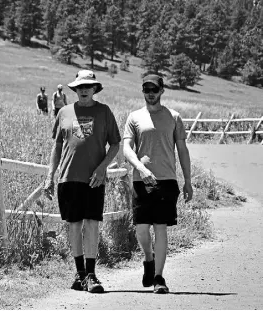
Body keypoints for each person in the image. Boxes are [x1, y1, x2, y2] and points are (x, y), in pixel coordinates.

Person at [43, 70, 121, 293]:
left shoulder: (104, 112)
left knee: (92, 224)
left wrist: (102, 167)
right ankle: (80, 274)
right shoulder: (64, 112)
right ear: (75, 89)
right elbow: (56, 147)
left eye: (88, 86)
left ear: (95, 89)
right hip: (68, 178)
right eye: (80, 87)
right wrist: (50, 176)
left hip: (94, 179)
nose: (84, 89)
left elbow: (115, 144)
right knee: (74, 226)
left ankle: (92, 274)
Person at [123, 74, 193, 294]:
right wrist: (141, 169)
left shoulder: (174, 117)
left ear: (162, 91)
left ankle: (159, 278)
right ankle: (148, 258)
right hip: (141, 180)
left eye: (154, 89)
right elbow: (126, 148)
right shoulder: (134, 117)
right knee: (142, 228)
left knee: (160, 227)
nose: (150, 93)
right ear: (142, 91)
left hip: (167, 180)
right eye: (146, 89)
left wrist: (188, 181)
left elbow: (182, 150)